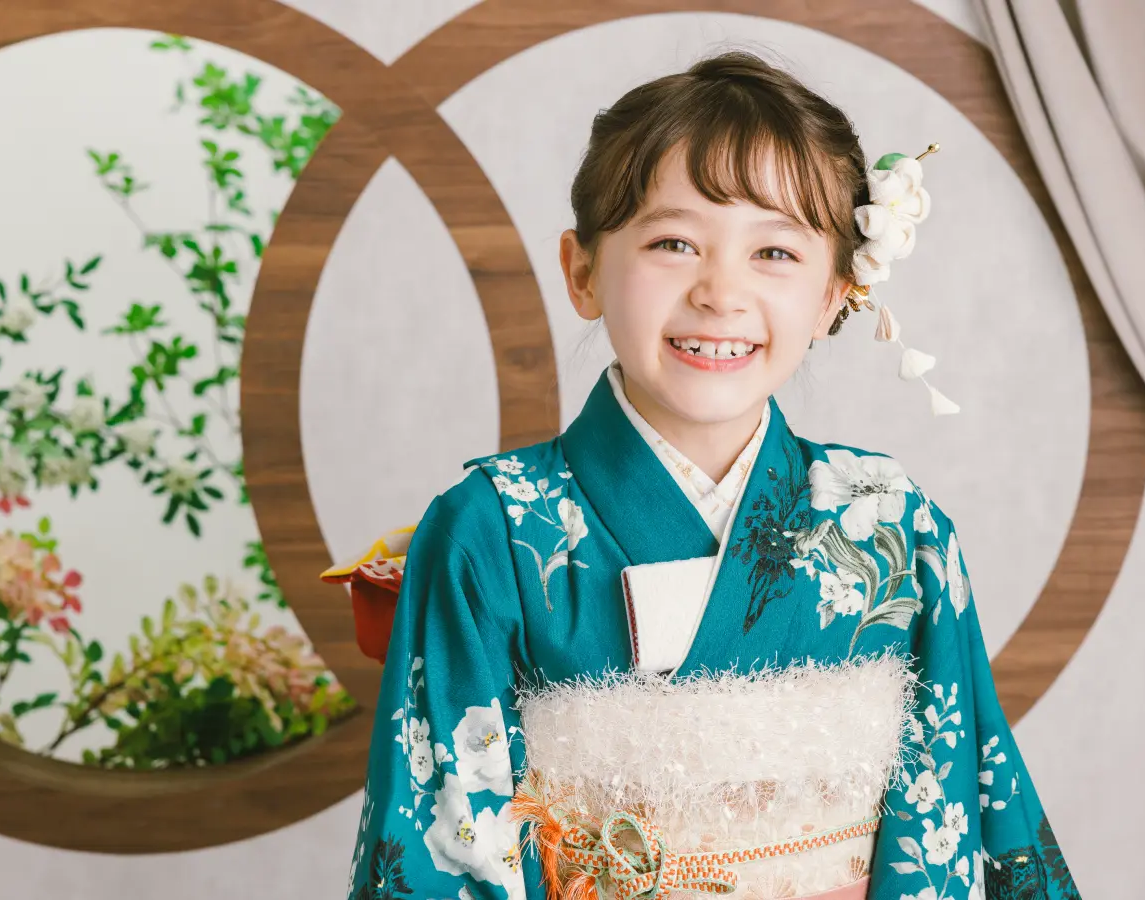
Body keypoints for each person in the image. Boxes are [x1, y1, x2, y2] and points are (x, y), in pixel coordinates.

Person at [341, 51, 1077, 900]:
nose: (720, 293)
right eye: (674, 243)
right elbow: (445, 834)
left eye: (775, 252)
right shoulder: (492, 529)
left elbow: (949, 802)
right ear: (582, 271)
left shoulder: (892, 521)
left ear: (835, 294)